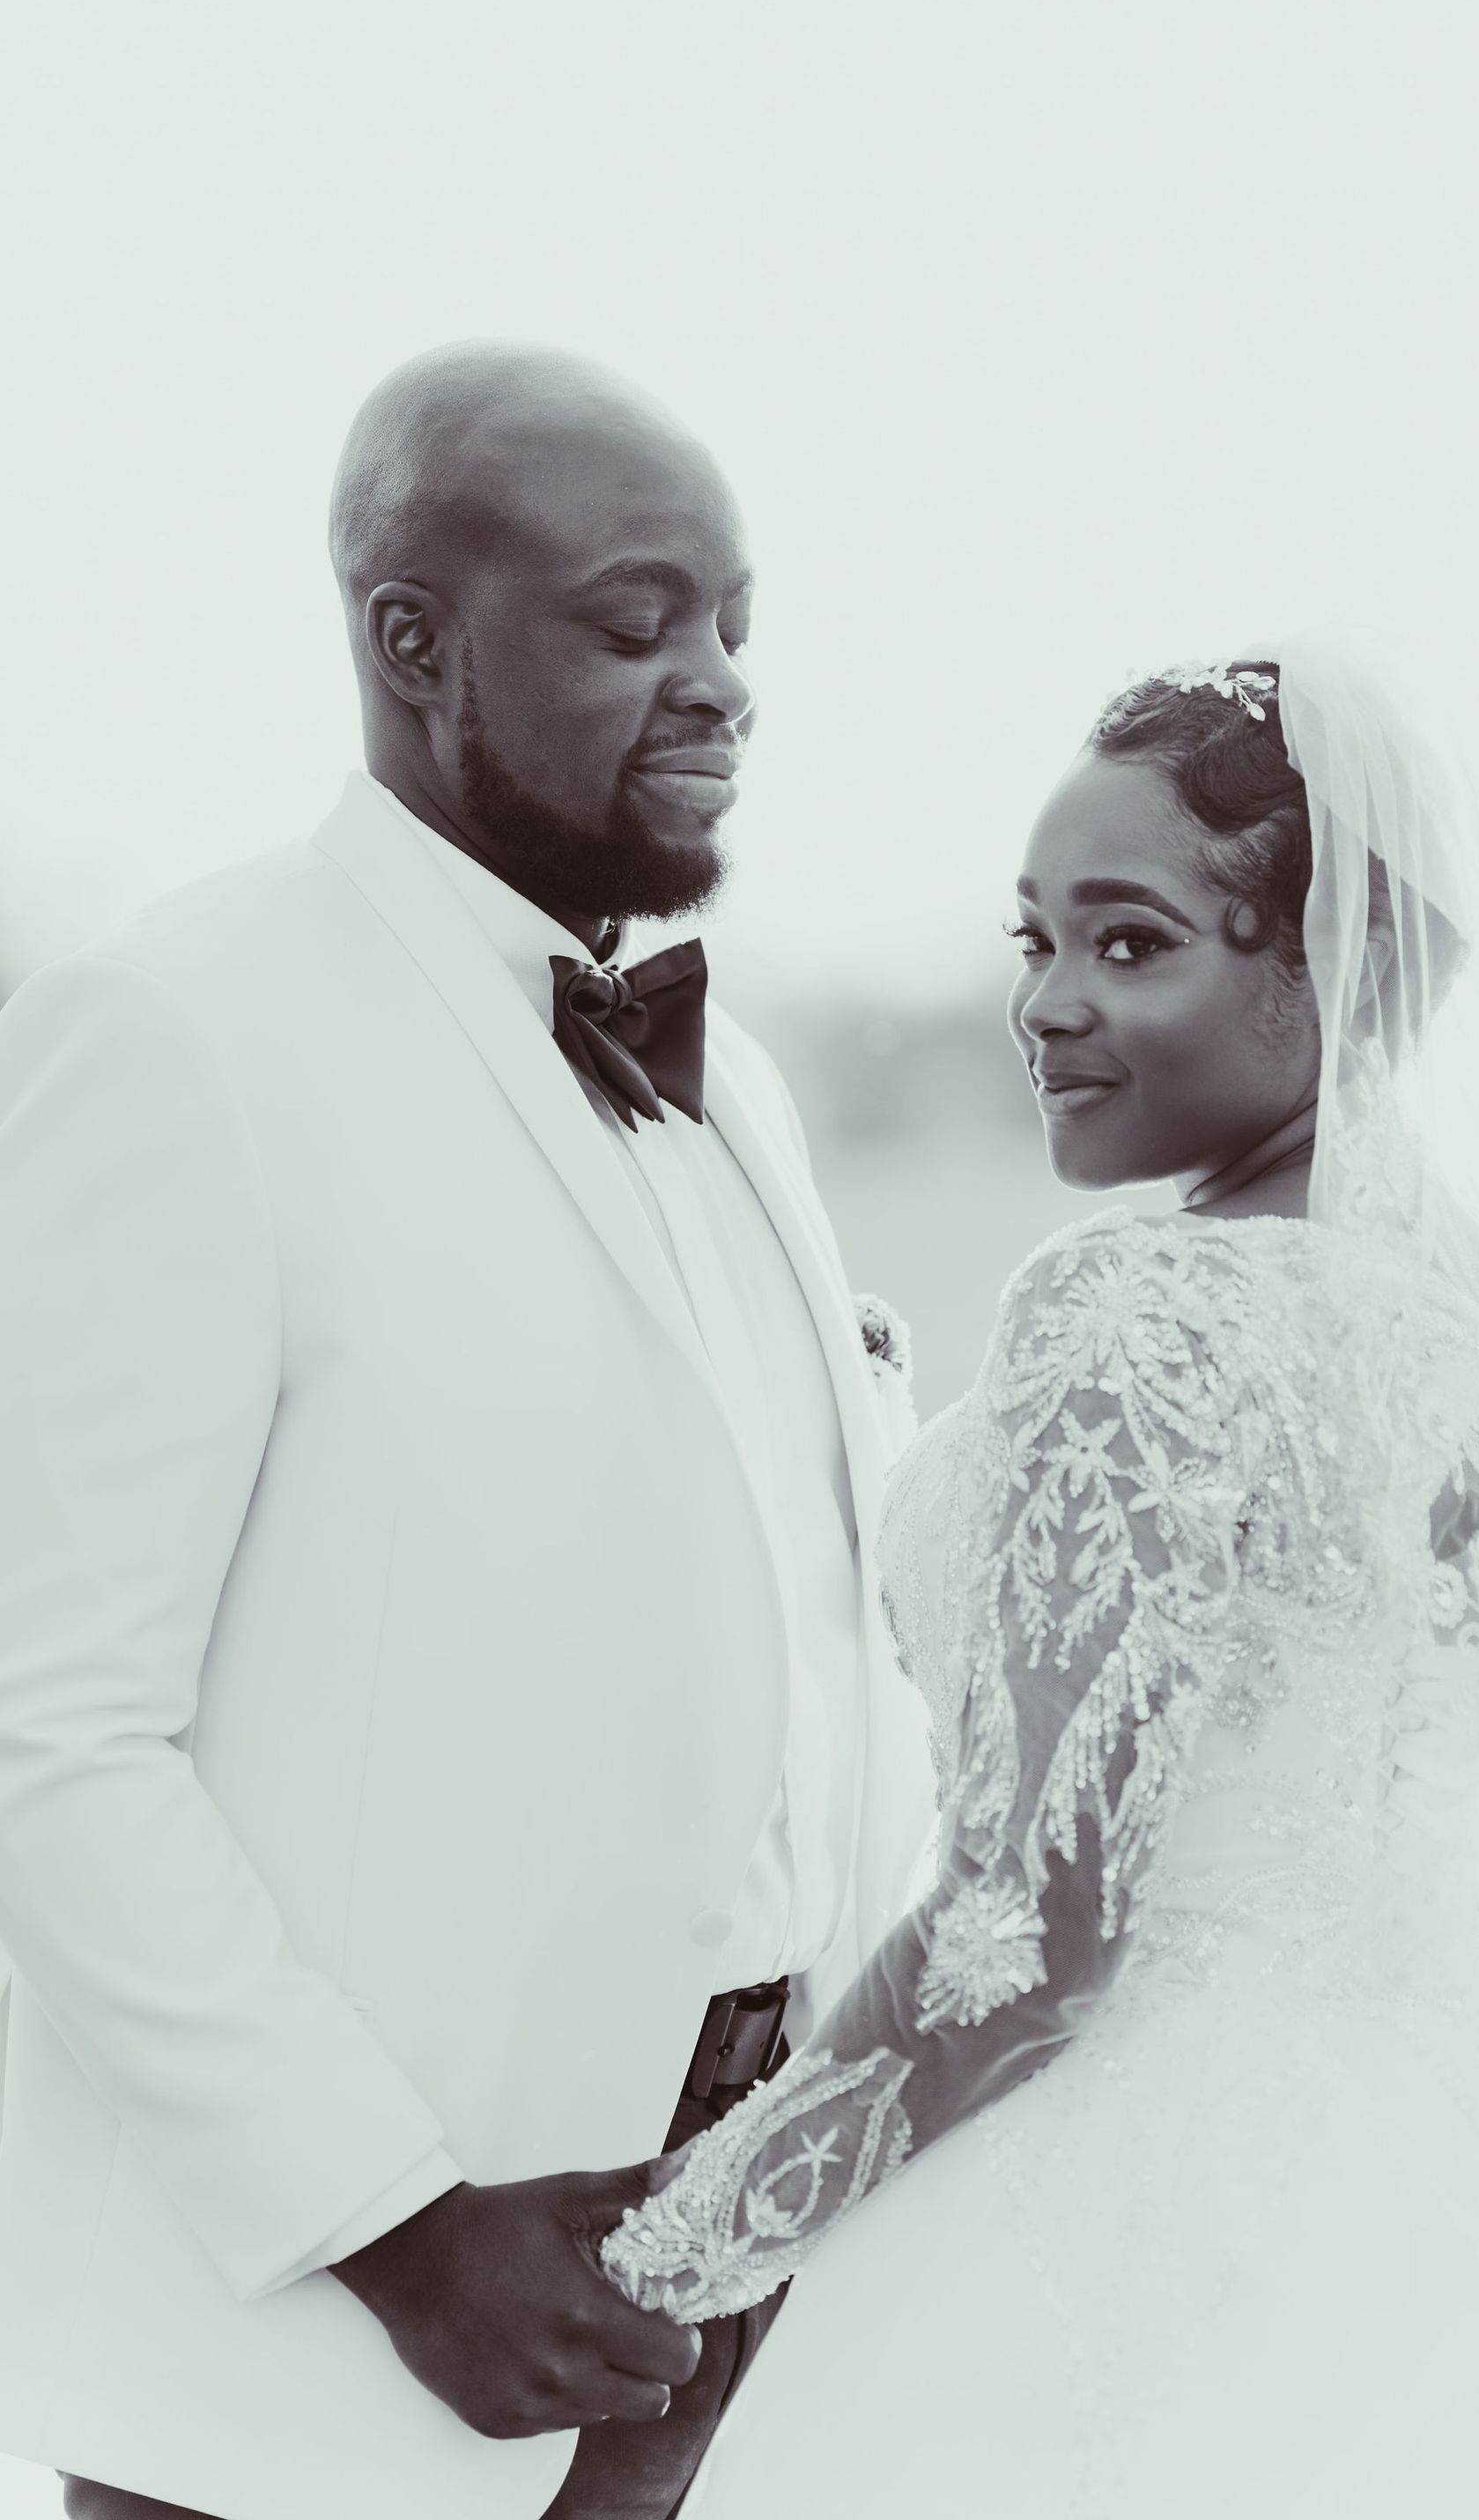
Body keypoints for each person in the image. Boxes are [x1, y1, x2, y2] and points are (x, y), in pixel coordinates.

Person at [599, 648, 1479, 2517]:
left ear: (1332, 975)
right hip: (1469, 2204)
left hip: (1131, 2220)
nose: (1043, 1003)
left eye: (1131, 944)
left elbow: (1027, 1940)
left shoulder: (1139, 1310)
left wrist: (670, 2257)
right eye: (1034, 940)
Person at [0, 342, 935, 2520]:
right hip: (343, 2371)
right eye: (637, 623)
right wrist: (402, 2227)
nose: (718, 683)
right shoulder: (173, 1036)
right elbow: (47, 1728)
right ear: (415, 644)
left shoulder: (750, 1092)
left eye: (734, 625)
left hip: (744, 2321)